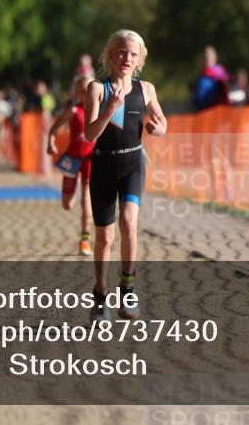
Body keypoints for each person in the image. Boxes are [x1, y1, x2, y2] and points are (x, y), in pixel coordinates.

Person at [84, 30, 167, 322]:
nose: (126, 58)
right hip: (104, 167)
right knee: (105, 237)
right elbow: (89, 134)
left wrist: (160, 128)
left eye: (133, 54)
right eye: (121, 52)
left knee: (129, 222)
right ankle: (100, 295)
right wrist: (110, 108)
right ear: (110, 54)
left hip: (133, 164)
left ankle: (127, 289)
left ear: (139, 59)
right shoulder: (97, 89)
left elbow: (162, 120)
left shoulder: (146, 89)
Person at [47, 74, 96, 256]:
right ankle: (72, 191)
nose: (86, 93)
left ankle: (85, 239)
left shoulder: (98, 110)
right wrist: (50, 142)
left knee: (86, 201)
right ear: (77, 92)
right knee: (67, 205)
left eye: (89, 89)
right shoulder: (74, 111)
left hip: (91, 160)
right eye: (82, 90)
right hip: (72, 160)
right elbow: (54, 129)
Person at [192, 45, 230, 111]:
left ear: (215, 57)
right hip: (207, 113)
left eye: (208, 57)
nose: (206, 59)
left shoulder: (221, 76)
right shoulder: (202, 77)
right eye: (204, 57)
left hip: (215, 112)